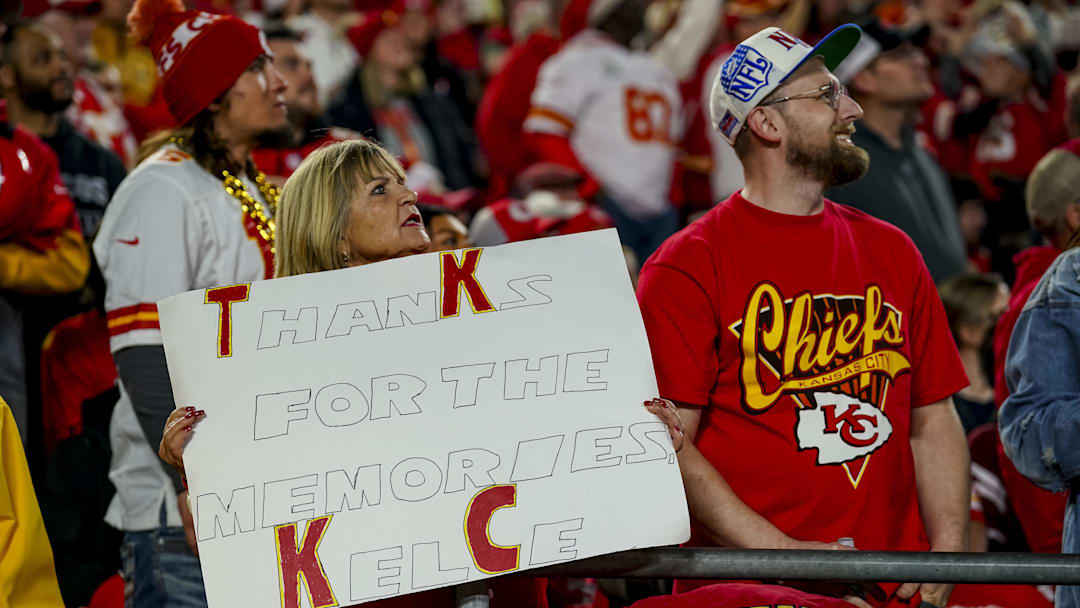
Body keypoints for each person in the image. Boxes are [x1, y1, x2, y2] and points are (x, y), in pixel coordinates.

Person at [158, 138, 686, 607]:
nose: (408, 198)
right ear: (334, 235)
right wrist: (203, 463)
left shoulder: (503, 328)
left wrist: (633, 441)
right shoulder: (266, 373)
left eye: (404, 185)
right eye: (380, 191)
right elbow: (254, 531)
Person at [636, 24, 970, 608]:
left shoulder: (893, 248)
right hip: (754, 591)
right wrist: (787, 554)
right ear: (765, 123)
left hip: (896, 586)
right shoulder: (688, 264)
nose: (854, 108)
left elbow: (932, 417)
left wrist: (947, 551)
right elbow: (666, 448)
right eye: (827, 95)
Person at [91, 0, 288, 603]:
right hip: (183, 519)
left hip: (258, 495)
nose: (279, 81)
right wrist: (191, 477)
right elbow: (144, 351)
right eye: (258, 68)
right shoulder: (162, 187)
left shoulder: (250, 186)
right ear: (215, 93)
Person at [523, 0, 681, 263]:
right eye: (626, 8)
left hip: (659, 209)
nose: (636, 13)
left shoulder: (655, 67)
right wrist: (588, 187)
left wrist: (674, 199)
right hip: (607, 203)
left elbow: (672, 146)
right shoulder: (578, 59)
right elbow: (544, 132)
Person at [827, 19, 968, 283]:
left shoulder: (920, 150)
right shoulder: (843, 164)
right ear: (864, 78)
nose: (920, 61)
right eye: (901, 55)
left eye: (916, 52)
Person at [991, 141, 1080, 557]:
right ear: (1075, 214)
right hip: (1053, 547)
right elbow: (1024, 434)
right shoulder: (1056, 290)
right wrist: (1048, 557)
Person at [1, 20, 126, 240]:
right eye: (42, 59)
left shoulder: (105, 164)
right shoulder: (4, 158)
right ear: (6, 76)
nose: (61, 67)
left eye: (62, 56)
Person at [937, 273, 1009, 433]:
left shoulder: (1013, 389)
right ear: (967, 330)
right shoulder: (940, 406)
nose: (1011, 324)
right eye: (999, 316)